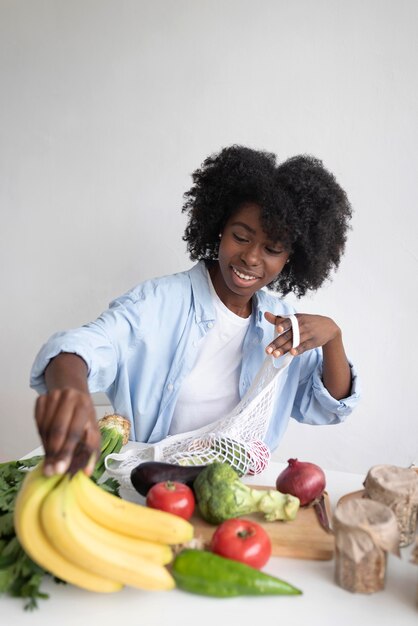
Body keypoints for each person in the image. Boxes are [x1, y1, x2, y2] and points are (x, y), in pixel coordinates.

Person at [31, 145, 360, 477]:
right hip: (151, 487)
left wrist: (333, 337)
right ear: (219, 228)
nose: (251, 258)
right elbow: (81, 348)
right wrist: (70, 391)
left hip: (238, 492)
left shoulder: (283, 325)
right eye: (241, 237)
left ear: (291, 257)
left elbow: (327, 407)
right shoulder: (156, 303)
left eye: (272, 249)